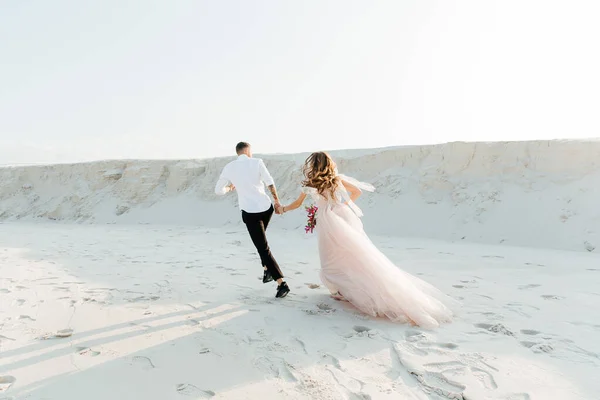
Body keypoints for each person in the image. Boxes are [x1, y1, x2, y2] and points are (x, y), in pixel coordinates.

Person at [280, 152, 456, 328]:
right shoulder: (336, 179)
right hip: (341, 217)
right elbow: (356, 191)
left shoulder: (310, 184)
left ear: (313, 165)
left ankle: (340, 289)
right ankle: (345, 288)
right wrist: (342, 206)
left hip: (328, 221)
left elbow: (296, 204)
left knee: (330, 257)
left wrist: (282, 209)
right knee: (352, 253)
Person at [215, 142, 290, 298]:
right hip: (266, 208)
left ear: (237, 152)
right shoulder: (257, 162)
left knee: (263, 247)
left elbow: (218, 191)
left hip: (250, 212)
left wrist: (229, 188)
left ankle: (281, 283)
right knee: (261, 244)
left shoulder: (229, 167)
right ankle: (266, 270)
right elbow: (270, 182)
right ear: (248, 151)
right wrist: (277, 201)